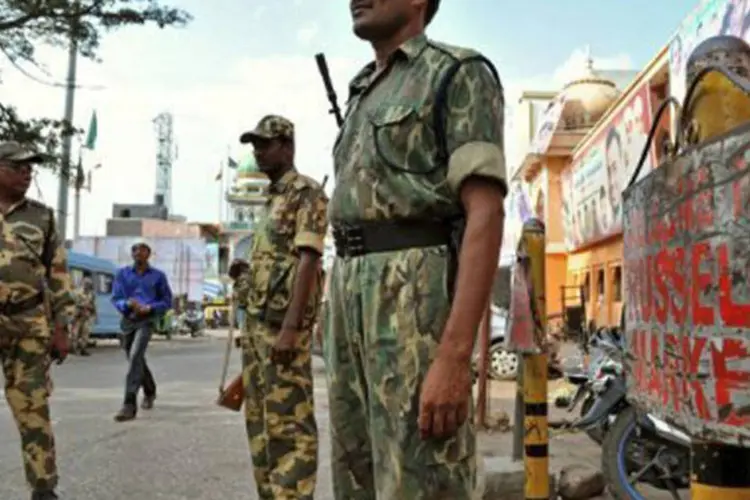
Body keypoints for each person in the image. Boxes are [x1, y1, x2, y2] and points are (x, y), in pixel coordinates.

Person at [325, 1, 506, 498]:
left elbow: (485, 214)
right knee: (355, 473)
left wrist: (453, 357)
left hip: (411, 294)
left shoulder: (457, 72)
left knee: (421, 477)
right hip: (347, 286)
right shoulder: (363, 89)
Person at [237, 114, 328, 499]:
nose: (258, 151)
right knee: (260, 423)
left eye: (265, 144)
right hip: (259, 328)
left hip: (282, 329)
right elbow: (278, 261)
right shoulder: (272, 199)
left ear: (287, 146)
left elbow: (309, 260)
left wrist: (291, 328)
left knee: (291, 425)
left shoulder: (305, 193)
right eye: (254, 145)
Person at [0, 141, 75, 500]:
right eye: (19, 167)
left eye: (31, 168)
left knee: (32, 406)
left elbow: (58, 274)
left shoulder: (41, 216)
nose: (27, 174)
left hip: (28, 321)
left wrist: (62, 328)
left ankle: (43, 486)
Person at [111, 239, 173, 422]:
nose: (139, 255)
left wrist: (150, 308)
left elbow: (167, 301)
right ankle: (150, 389)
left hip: (146, 320)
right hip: (128, 320)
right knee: (134, 358)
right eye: (136, 252)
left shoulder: (158, 276)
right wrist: (128, 304)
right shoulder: (122, 274)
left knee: (136, 355)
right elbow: (116, 298)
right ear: (132, 255)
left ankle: (129, 404)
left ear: (149, 254)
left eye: (143, 252)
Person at [72, 276, 96, 356]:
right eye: (86, 284)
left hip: (86, 316)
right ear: (83, 284)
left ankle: (83, 349)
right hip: (77, 316)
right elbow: (74, 303)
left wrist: (94, 314)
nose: (87, 286)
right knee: (75, 333)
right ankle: (74, 349)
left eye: (89, 284)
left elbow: (93, 305)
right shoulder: (77, 293)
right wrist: (83, 305)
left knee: (85, 334)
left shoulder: (91, 294)